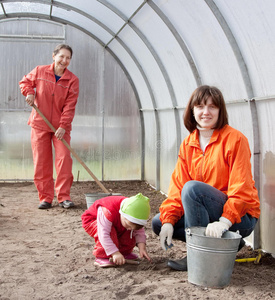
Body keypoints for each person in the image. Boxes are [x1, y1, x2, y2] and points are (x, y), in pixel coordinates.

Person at [152, 85, 260, 271]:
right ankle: (227, 244)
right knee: (158, 222)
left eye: (212, 107)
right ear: (192, 110)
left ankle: (199, 256)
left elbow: (241, 188)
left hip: (240, 217)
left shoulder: (235, 140)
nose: (206, 112)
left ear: (220, 111)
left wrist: (225, 221)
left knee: (193, 189)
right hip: (206, 212)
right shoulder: (188, 144)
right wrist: (169, 221)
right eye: (200, 106)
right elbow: (177, 188)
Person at [19, 44, 79, 209]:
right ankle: (45, 198)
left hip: (60, 128)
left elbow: (70, 105)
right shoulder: (40, 71)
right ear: (54, 56)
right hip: (40, 123)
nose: (64, 60)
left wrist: (63, 126)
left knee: (64, 159)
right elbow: (25, 82)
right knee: (41, 162)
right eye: (61, 56)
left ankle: (64, 197)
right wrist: (30, 93)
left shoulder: (72, 80)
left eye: (68, 58)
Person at [81, 193, 152, 268]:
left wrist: (142, 247)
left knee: (130, 231)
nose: (129, 228)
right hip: (93, 221)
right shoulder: (107, 210)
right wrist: (114, 253)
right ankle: (103, 256)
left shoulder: (133, 214)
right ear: (123, 215)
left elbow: (139, 231)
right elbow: (103, 234)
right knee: (111, 232)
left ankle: (123, 253)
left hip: (114, 223)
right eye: (129, 225)